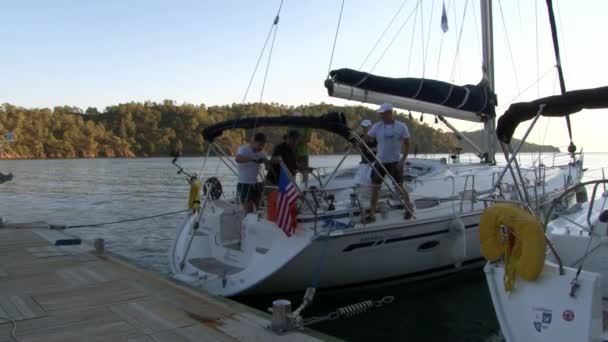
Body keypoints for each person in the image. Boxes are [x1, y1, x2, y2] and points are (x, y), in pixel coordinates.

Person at [366, 103, 414, 222]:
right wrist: (356, 139)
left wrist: (402, 160)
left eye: (383, 113)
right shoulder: (377, 126)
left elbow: (407, 144)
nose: (381, 115)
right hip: (380, 161)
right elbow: (367, 138)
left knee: (399, 186)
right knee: (375, 187)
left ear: (390, 113)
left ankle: (409, 208)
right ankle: (372, 212)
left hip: (395, 162)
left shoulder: (401, 126)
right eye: (380, 113)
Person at [265, 130, 300, 221]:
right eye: (293, 140)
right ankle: (272, 221)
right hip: (274, 182)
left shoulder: (293, 151)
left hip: (287, 183)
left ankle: (288, 221)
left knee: (291, 203)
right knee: (274, 204)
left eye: (296, 140)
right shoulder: (280, 148)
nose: (294, 142)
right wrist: (278, 159)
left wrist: (304, 168)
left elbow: (294, 165)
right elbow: (272, 160)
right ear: (288, 139)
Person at [235, 132, 268, 213]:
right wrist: (252, 159)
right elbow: (237, 159)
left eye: (263, 145)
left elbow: (268, 167)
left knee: (259, 208)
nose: (261, 147)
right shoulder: (244, 149)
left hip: (258, 183)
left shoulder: (262, 153)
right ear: (254, 142)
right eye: (260, 144)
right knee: (248, 209)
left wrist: (267, 162)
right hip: (245, 183)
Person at [291, 112, 312, 186]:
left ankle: (304, 189)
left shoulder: (307, 127)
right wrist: (296, 140)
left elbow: (308, 139)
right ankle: (293, 189)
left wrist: (298, 140)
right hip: (293, 152)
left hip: (303, 152)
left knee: (304, 171)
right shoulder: (291, 126)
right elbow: (288, 138)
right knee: (292, 171)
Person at [356, 119, 377, 186]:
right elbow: (357, 147)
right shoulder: (360, 137)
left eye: (366, 127)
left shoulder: (375, 137)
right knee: (362, 181)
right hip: (364, 161)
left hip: (373, 161)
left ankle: (373, 190)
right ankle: (363, 193)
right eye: (363, 127)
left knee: (369, 179)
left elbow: (380, 147)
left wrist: (373, 149)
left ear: (370, 127)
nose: (364, 129)